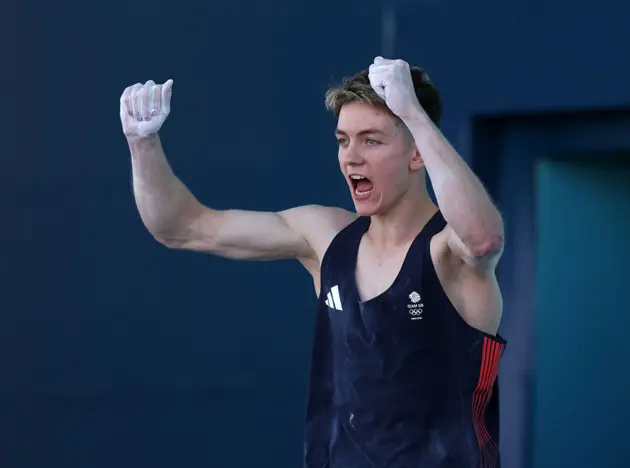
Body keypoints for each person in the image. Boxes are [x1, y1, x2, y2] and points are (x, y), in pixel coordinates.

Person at [120, 57, 507, 468]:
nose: (351, 158)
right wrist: (142, 144)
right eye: (343, 140)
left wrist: (412, 111)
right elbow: (182, 227)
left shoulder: (449, 254)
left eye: (370, 141)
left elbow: (482, 239)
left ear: (416, 154)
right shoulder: (325, 239)